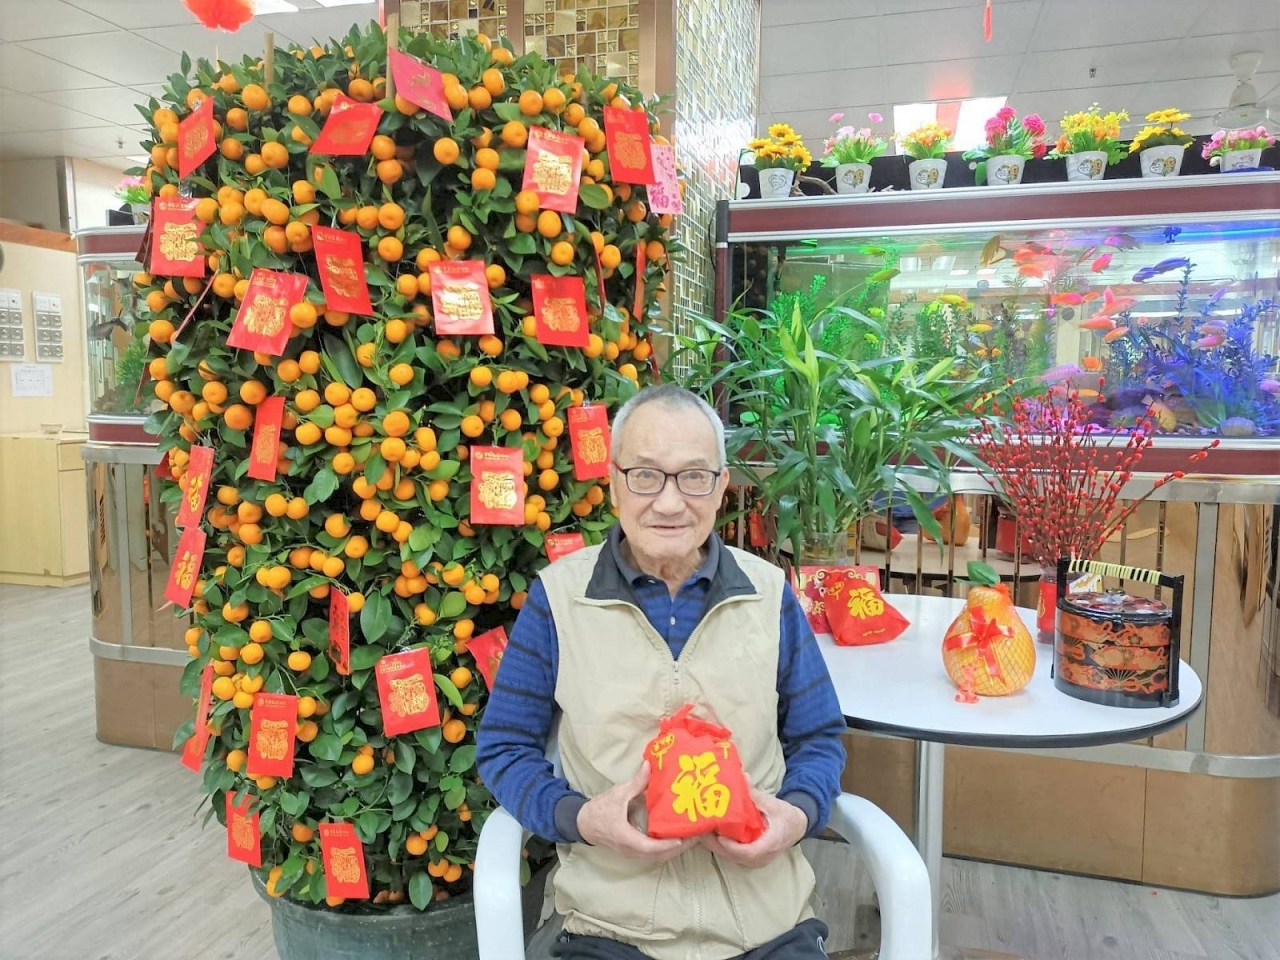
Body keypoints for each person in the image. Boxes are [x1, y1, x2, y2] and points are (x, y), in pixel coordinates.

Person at [476, 383, 847, 960]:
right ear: (613, 483)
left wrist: (796, 817)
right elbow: (504, 747)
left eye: (694, 476)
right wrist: (581, 818)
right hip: (608, 927)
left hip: (767, 924)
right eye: (645, 475)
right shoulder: (560, 598)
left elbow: (819, 736)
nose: (670, 504)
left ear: (721, 486)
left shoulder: (768, 594)